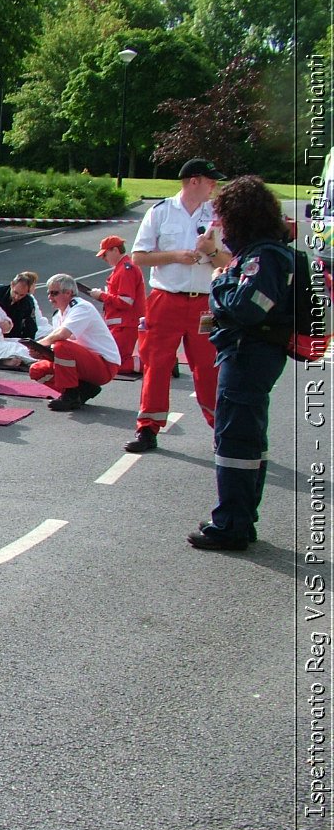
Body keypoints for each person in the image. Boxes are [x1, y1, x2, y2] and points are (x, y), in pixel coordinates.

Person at [188, 175, 294, 550]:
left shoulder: (262, 258)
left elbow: (247, 308)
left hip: (249, 354)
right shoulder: (265, 253)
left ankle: (231, 524)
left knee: (235, 439)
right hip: (255, 353)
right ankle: (241, 518)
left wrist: (218, 283)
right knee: (247, 438)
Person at [124, 157, 232, 453]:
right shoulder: (160, 212)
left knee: (208, 367)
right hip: (165, 299)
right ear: (193, 181)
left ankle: (220, 430)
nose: (215, 186)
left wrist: (211, 251)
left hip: (205, 303)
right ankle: (147, 428)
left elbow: (232, 262)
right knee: (156, 364)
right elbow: (139, 256)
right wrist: (176, 255)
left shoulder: (219, 215)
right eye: (211, 180)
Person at [27, 273, 121, 412]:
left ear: (69, 293)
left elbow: (63, 335)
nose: (50, 298)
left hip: (105, 365)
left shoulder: (81, 308)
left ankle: (70, 395)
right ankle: (81, 391)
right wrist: (40, 352)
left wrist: (41, 344)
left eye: (54, 293)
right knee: (36, 370)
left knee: (62, 345)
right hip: (84, 362)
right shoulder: (59, 315)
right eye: (49, 293)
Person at [90, 235, 146, 375]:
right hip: (121, 323)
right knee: (112, 360)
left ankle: (158, 365)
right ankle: (157, 364)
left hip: (125, 324)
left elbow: (126, 302)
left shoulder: (126, 269)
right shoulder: (122, 268)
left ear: (115, 250)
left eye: (105, 254)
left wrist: (101, 296)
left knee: (115, 362)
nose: (104, 258)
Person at [0, 271, 52, 340]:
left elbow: (31, 327)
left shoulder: (28, 302)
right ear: (12, 285)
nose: (17, 297)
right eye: (15, 292)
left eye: (21, 295)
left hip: (13, 337)